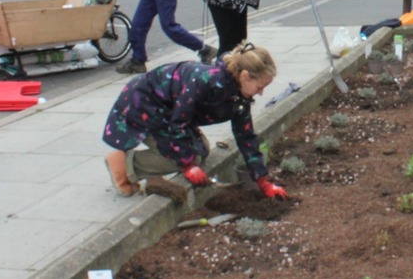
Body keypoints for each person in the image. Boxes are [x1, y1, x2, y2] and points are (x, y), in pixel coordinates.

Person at [102, 42, 288, 200]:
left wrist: (264, 182)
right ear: (245, 76)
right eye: (260, 86)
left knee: (201, 151)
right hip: (145, 104)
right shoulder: (205, 82)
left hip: (169, 111)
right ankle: (124, 165)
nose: (261, 92)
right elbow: (179, 123)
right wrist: (188, 165)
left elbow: (245, 136)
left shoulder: (239, 95)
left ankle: (153, 171)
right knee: (182, 159)